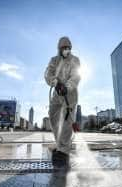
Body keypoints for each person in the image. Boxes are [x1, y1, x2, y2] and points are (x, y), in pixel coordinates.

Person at [44, 36, 81, 165]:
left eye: (68, 48)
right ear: (59, 49)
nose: (66, 50)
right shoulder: (54, 60)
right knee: (53, 117)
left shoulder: (75, 60)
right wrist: (55, 82)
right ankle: (60, 144)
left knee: (66, 121)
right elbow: (48, 73)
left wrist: (68, 86)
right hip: (57, 93)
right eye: (64, 48)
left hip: (69, 94)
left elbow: (76, 75)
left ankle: (64, 151)